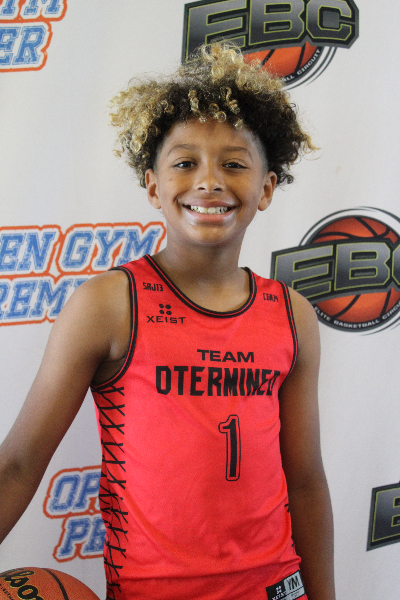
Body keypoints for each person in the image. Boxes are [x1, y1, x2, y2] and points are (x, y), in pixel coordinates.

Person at [0, 43, 335, 600]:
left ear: (266, 188)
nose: (209, 181)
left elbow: (305, 481)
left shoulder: (291, 314)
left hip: (277, 588)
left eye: (234, 164)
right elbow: (18, 462)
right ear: (153, 186)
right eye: (184, 163)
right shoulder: (109, 305)